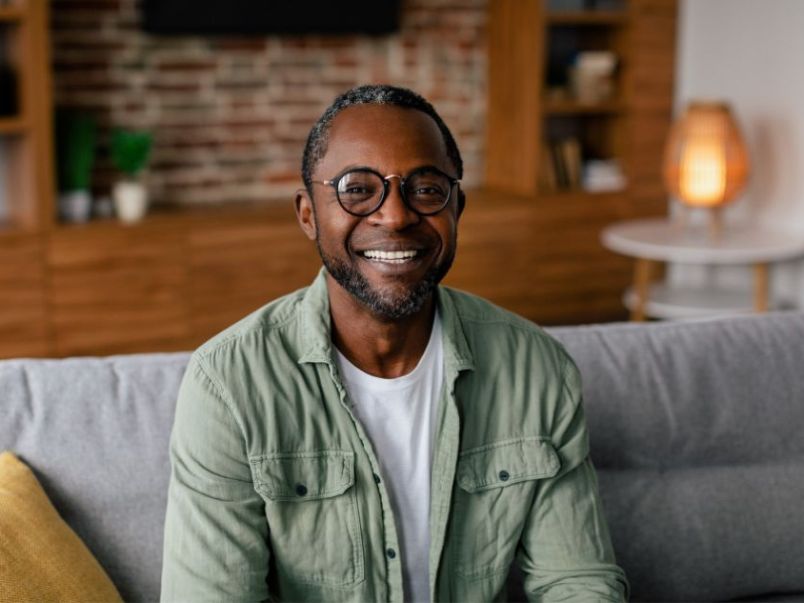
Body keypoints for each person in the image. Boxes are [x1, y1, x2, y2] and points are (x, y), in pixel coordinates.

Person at [160, 84, 628, 602]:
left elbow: (577, 581)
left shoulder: (537, 367)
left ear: (457, 209)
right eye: (357, 189)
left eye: (426, 189)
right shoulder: (228, 384)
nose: (397, 215)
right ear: (308, 213)